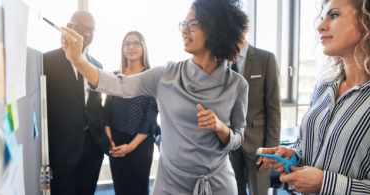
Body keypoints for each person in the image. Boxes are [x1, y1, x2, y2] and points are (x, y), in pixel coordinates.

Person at [61, 0, 249, 193]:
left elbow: (238, 138)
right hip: (171, 183)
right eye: (183, 25)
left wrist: (221, 128)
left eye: (192, 24)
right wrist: (77, 59)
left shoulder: (237, 85)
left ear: (214, 28)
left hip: (217, 184)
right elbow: (117, 84)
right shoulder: (165, 75)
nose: (184, 31)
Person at [257, 0, 370, 194]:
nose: (320, 26)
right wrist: (292, 155)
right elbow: (306, 147)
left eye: (333, 15)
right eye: (322, 17)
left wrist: (327, 183)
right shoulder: (323, 87)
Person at [43, 10, 110, 195]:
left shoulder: (97, 65)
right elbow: (44, 111)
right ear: (69, 27)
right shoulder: (47, 60)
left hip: (93, 148)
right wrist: (47, 158)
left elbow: (96, 106)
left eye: (91, 30)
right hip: (62, 151)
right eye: (82, 27)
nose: (87, 34)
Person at [229, 11, 281, 195]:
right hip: (229, 143)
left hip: (258, 144)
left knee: (259, 191)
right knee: (234, 191)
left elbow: (274, 108)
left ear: (244, 29)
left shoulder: (265, 59)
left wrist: (271, 149)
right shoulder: (220, 62)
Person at [104, 31, 160, 195]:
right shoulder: (115, 76)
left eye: (136, 43)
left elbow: (150, 117)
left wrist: (131, 147)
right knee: (120, 188)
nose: (131, 47)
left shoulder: (151, 77)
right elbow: (107, 109)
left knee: (139, 188)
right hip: (116, 140)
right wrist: (109, 140)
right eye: (127, 43)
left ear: (143, 47)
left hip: (141, 143)